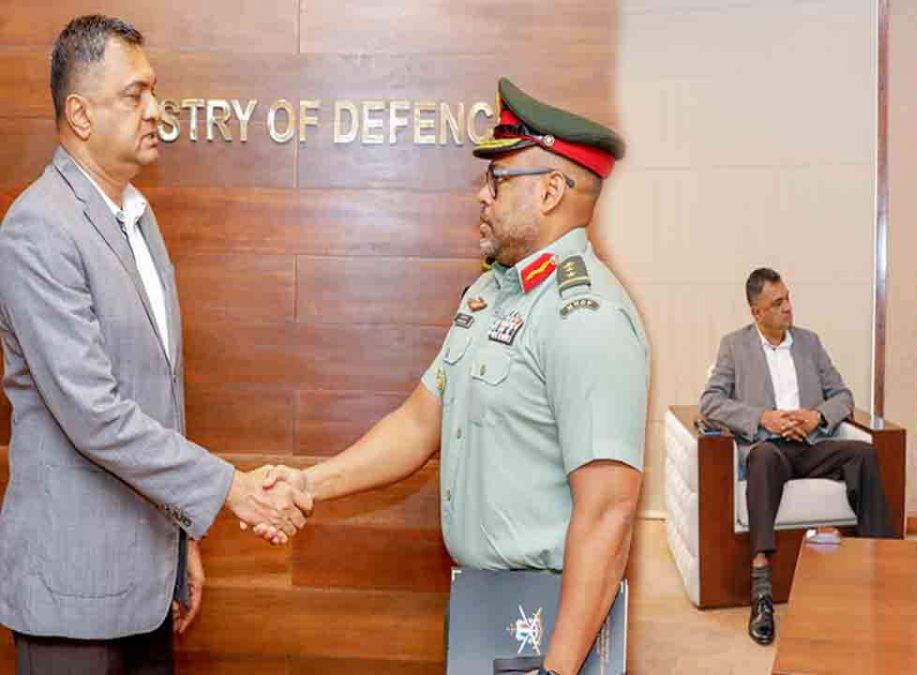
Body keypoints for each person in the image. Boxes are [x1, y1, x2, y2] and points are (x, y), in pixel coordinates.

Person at [260, 77, 649, 675]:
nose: (482, 195)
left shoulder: (587, 316)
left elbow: (608, 514)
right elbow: (419, 423)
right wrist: (309, 484)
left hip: (550, 622)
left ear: (550, 191)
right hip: (483, 609)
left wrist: (557, 669)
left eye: (498, 179)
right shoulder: (491, 294)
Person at [0, 15, 310, 674]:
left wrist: (179, 538)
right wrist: (231, 489)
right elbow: (94, 413)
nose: (155, 111)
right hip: (73, 595)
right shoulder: (38, 228)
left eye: (154, 91)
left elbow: (159, 397)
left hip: (147, 587)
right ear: (80, 114)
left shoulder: (140, 219)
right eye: (134, 94)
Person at [699, 267, 895, 646]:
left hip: (811, 446)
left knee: (863, 454)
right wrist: (763, 418)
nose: (788, 307)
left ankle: (883, 571)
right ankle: (762, 588)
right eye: (777, 303)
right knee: (762, 459)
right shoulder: (734, 346)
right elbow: (710, 402)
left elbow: (843, 396)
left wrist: (816, 417)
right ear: (757, 312)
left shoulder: (809, 343)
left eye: (788, 298)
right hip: (769, 447)